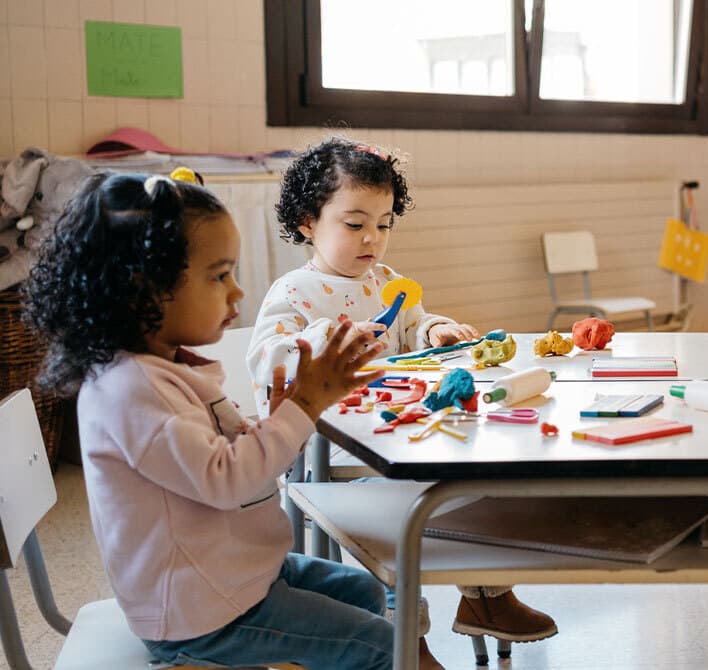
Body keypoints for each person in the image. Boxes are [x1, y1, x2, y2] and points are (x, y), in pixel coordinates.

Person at [21, 171, 406, 668]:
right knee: (381, 646)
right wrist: (304, 405)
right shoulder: (131, 390)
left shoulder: (162, 367)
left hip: (228, 572)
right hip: (199, 612)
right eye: (220, 275)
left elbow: (212, 454)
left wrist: (289, 402)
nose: (237, 293)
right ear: (144, 289)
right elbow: (227, 480)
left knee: (363, 590)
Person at [247, 137, 558, 647]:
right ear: (308, 221)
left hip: (405, 430)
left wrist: (433, 328)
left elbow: (410, 324)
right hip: (338, 449)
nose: (372, 238)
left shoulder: (384, 280)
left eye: (384, 223)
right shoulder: (292, 294)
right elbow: (268, 361)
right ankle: (405, 641)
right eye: (354, 224)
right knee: (397, 517)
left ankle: (487, 596)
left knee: (477, 480)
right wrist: (329, 341)